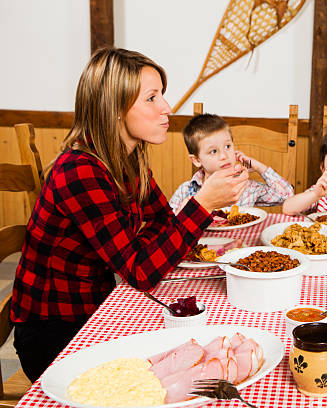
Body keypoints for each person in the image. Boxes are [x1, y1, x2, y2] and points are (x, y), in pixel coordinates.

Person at [10, 48, 248, 382]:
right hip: (55, 333)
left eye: (162, 95)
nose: (167, 108)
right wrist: (204, 203)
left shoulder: (129, 160)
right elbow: (140, 271)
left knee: (201, 347)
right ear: (116, 109)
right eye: (152, 98)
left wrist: (145, 245)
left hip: (97, 309)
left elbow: (163, 222)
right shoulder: (80, 170)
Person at [169, 113, 294, 213]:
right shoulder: (185, 191)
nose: (224, 156)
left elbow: (287, 195)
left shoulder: (245, 187)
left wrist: (259, 167)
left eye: (228, 146)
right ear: (197, 160)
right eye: (213, 151)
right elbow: (170, 226)